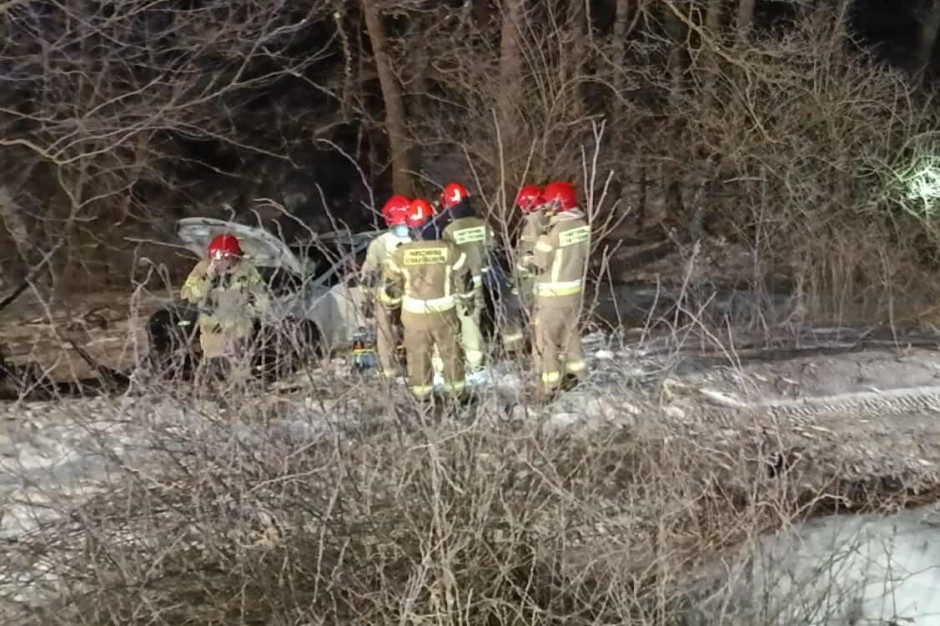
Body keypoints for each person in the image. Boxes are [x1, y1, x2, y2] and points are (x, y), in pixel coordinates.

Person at [383, 198, 472, 402]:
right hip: (445, 316)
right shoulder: (450, 250)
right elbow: (464, 279)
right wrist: (468, 302)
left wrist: (392, 308)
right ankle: (458, 396)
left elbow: (390, 290)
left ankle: (422, 399)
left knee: (418, 358)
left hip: (414, 319)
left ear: (412, 227)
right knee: (451, 356)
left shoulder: (400, 254)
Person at [520, 180, 590, 398]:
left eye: (550, 203)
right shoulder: (582, 225)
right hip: (574, 294)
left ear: (559, 203)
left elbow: (538, 263)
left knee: (546, 341)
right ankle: (578, 375)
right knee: (570, 334)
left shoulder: (553, 232)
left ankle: (549, 386)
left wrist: (529, 255)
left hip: (551, 295)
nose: (547, 207)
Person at [180, 233, 270, 379]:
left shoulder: (246, 270)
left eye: (225, 257)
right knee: (215, 372)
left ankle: (241, 394)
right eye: (215, 256)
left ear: (234, 256)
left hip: (239, 330)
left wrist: (256, 311)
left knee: (240, 371)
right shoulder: (202, 268)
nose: (220, 261)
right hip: (213, 332)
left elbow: (262, 293)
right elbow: (189, 295)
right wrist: (207, 279)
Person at [438, 184, 495, 371]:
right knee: (474, 320)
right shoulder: (482, 224)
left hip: (459, 284)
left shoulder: (449, 230)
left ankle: (463, 361)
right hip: (482, 280)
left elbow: (447, 258)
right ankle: (476, 362)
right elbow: (493, 249)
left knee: (461, 321)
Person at [360, 194, 412, 378]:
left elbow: (368, 274)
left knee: (385, 332)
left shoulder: (379, 243)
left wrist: (366, 299)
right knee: (412, 329)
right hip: (414, 295)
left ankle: (389, 368)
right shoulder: (418, 237)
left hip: (386, 296)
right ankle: (415, 366)